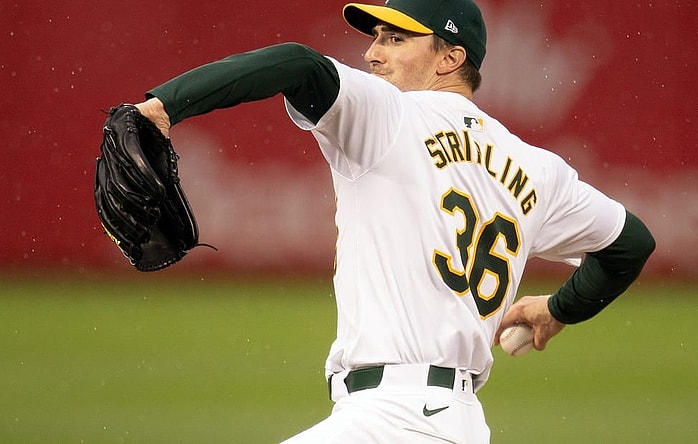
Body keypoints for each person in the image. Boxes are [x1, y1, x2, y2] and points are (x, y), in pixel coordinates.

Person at [130, 0, 655, 442]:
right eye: (377, 36)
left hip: (390, 420)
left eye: (396, 39)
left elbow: (297, 63)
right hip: (460, 424)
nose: (372, 52)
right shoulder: (538, 169)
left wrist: (161, 108)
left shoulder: (390, 114)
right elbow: (629, 244)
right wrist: (558, 309)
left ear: (450, 58)